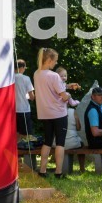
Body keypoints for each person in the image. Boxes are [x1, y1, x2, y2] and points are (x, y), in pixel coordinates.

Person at [33, 48, 80, 178]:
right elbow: (63, 96)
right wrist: (69, 94)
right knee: (60, 142)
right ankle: (58, 172)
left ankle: (42, 171)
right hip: (59, 113)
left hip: (44, 113)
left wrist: (67, 86)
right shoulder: (54, 75)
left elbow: (51, 89)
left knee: (47, 141)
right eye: (55, 61)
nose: (56, 63)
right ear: (49, 60)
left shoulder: (36, 73)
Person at [14, 59, 35, 138]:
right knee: (26, 135)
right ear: (22, 68)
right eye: (24, 68)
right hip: (24, 109)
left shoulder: (9, 78)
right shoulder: (26, 78)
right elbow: (32, 96)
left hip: (12, 110)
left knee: (16, 133)